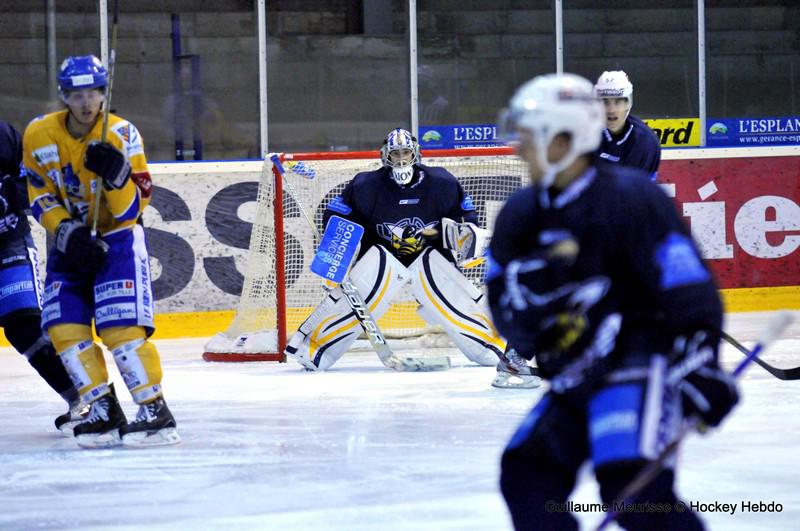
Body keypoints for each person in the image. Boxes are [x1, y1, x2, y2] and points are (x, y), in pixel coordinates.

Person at [488, 73, 739, 530]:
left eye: (530, 137)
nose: (520, 150)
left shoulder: (633, 199)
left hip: (637, 364)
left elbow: (690, 288)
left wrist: (701, 362)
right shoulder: (521, 214)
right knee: (526, 475)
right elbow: (505, 306)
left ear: (564, 140)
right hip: (577, 370)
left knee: (631, 488)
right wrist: (539, 304)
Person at [22, 55, 179, 448]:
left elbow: (132, 209)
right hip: (69, 244)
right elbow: (38, 195)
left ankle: (154, 410)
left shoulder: (121, 134)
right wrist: (67, 231)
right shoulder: (38, 134)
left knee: (119, 328)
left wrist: (117, 177)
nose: (86, 102)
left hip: (118, 241)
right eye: (77, 95)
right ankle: (103, 408)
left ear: (104, 93)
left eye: (93, 92)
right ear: (64, 96)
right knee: (63, 329)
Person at [284, 128, 510, 371]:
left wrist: (465, 234)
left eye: (405, 153)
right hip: (382, 257)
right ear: (385, 156)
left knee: (456, 298)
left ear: (415, 154)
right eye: (395, 154)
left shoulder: (441, 182)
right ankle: (313, 349)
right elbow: (336, 217)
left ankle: (491, 347)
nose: (401, 159)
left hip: (429, 258)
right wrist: (336, 253)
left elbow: (465, 217)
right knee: (357, 298)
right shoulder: (365, 185)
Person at [0, 119, 87, 435]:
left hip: (7, 240)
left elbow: (32, 180)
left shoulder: (1, 134)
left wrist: (15, 191)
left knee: (24, 325)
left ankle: (85, 397)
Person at [594, 70, 661, 180]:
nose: (611, 110)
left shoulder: (646, 141)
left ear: (628, 103)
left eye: (618, 101)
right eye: (605, 101)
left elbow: (642, 187)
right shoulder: (585, 134)